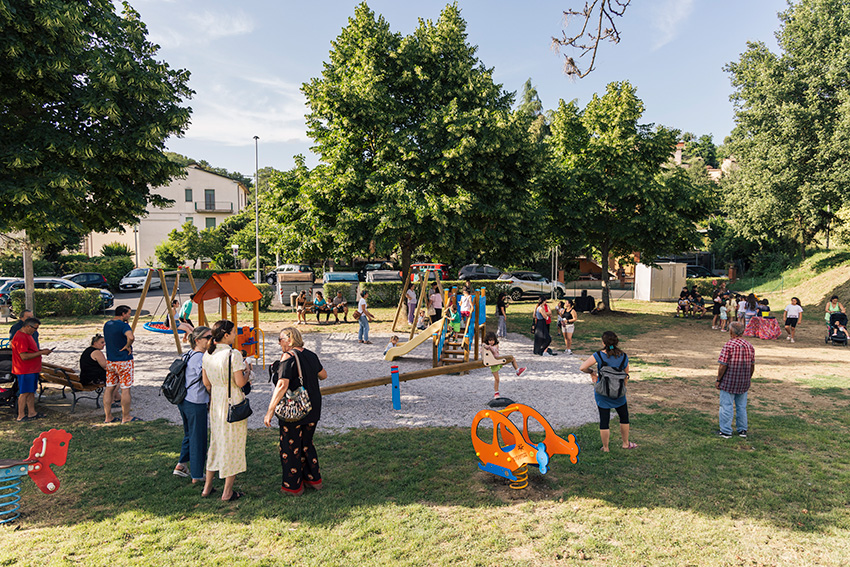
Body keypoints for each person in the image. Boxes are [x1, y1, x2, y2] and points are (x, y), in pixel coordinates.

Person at [264, 326, 327, 495]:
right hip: (312, 406)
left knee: (290, 446)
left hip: (294, 410)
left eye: (280, 339)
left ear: (289, 340)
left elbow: (282, 384)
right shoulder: (311, 355)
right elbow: (323, 375)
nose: (279, 343)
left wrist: (270, 410)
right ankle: (314, 480)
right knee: (307, 444)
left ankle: (293, 486)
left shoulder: (288, 356)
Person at [202, 320, 251, 501]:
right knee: (233, 444)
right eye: (233, 332)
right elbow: (240, 383)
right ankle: (227, 491)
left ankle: (207, 487)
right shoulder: (233, 354)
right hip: (232, 401)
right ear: (226, 335)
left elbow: (206, 383)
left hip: (216, 401)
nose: (235, 334)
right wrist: (247, 372)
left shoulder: (208, 354)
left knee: (216, 441)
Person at [579, 331, 635, 451]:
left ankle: (606, 447)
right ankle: (625, 443)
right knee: (624, 417)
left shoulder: (598, 355)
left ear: (603, 342)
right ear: (616, 342)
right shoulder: (624, 356)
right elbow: (626, 375)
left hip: (603, 392)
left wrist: (592, 372)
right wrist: (623, 389)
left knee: (604, 420)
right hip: (619, 392)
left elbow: (582, 367)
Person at [173, 326, 212, 484]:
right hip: (196, 401)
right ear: (197, 340)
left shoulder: (187, 354)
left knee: (189, 433)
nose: (211, 340)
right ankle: (196, 474)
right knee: (198, 438)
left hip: (184, 399)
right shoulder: (201, 358)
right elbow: (206, 381)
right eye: (207, 337)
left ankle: (181, 464)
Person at [715, 321, 755, 439]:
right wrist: (748, 377)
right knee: (741, 406)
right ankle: (742, 430)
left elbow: (723, 365)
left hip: (729, 380)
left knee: (726, 405)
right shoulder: (749, 346)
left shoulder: (729, 345)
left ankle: (726, 431)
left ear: (731, 331)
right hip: (743, 380)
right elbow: (752, 365)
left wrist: (718, 379)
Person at [103, 305, 138, 424]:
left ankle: (108, 417)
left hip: (111, 361)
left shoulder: (107, 324)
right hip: (124, 361)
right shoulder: (124, 326)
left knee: (109, 388)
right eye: (128, 313)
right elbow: (131, 337)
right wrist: (128, 345)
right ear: (123, 314)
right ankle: (126, 416)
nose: (129, 315)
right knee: (125, 389)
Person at [12, 317, 51, 422]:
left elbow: (31, 351)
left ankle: (32, 412)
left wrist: (41, 351)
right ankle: (21, 415)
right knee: (24, 392)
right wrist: (41, 353)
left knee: (31, 391)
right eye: (35, 328)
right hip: (24, 369)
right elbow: (24, 356)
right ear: (28, 326)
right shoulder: (21, 337)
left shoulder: (28, 335)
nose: (36, 331)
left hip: (32, 369)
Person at [482, 332, 526, 399]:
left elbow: (494, 350)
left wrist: (489, 347)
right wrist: (485, 346)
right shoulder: (486, 345)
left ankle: (517, 370)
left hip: (498, 361)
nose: (491, 342)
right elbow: (482, 348)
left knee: (512, 358)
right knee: (497, 379)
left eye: (493, 340)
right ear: (487, 341)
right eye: (490, 340)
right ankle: (496, 393)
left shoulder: (496, 345)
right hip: (493, 363)